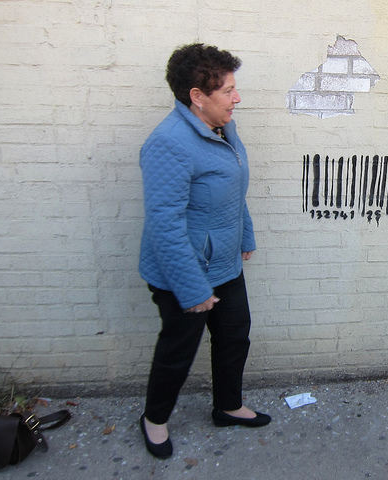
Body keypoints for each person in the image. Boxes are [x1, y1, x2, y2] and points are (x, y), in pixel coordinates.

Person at [138, 43, 270, 459]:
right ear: (197, 96)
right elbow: (165, 225)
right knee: (178, 352)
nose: (237, 98)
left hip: (225, 264)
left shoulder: (223, 129)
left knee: (234, 337)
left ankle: (228, 407)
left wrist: (244, 235)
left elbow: (232, 191)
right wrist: (193, 289)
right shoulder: (169, 143)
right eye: (228, 90)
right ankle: (154, 420)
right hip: (184, 274)